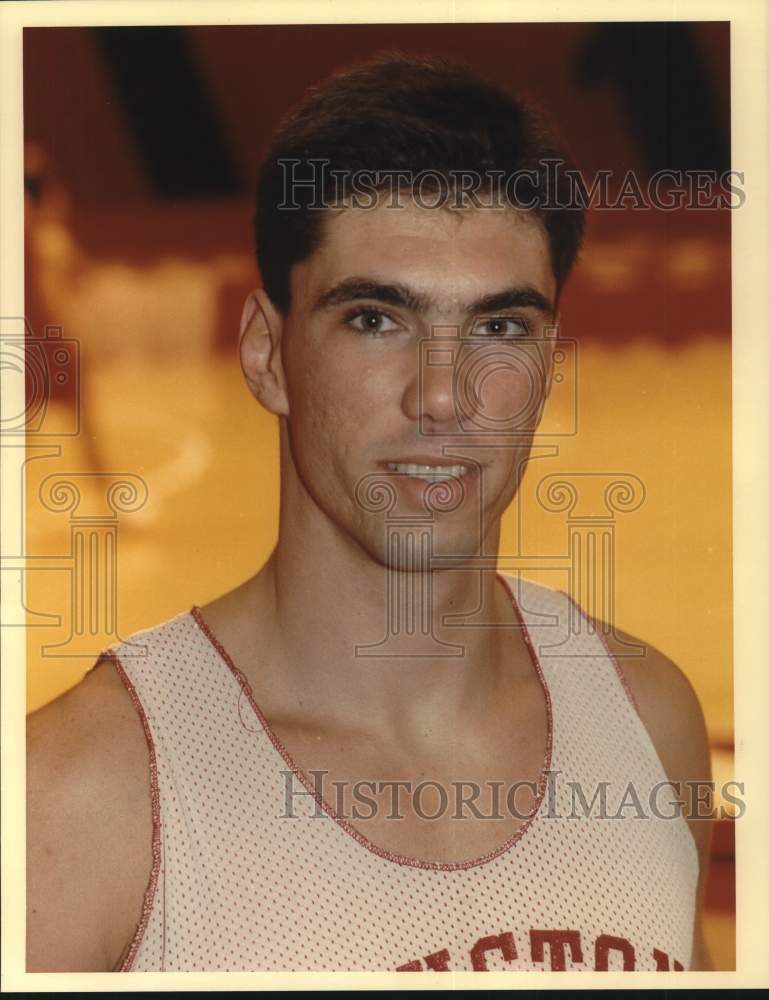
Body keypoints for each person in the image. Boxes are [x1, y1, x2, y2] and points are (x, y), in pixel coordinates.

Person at [26, 52, 714, 973]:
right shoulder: (73, 797)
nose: (442, 395)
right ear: (268, 355)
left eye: (500, 327)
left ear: (550, 368)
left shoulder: (647, 719)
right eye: (374, 319)